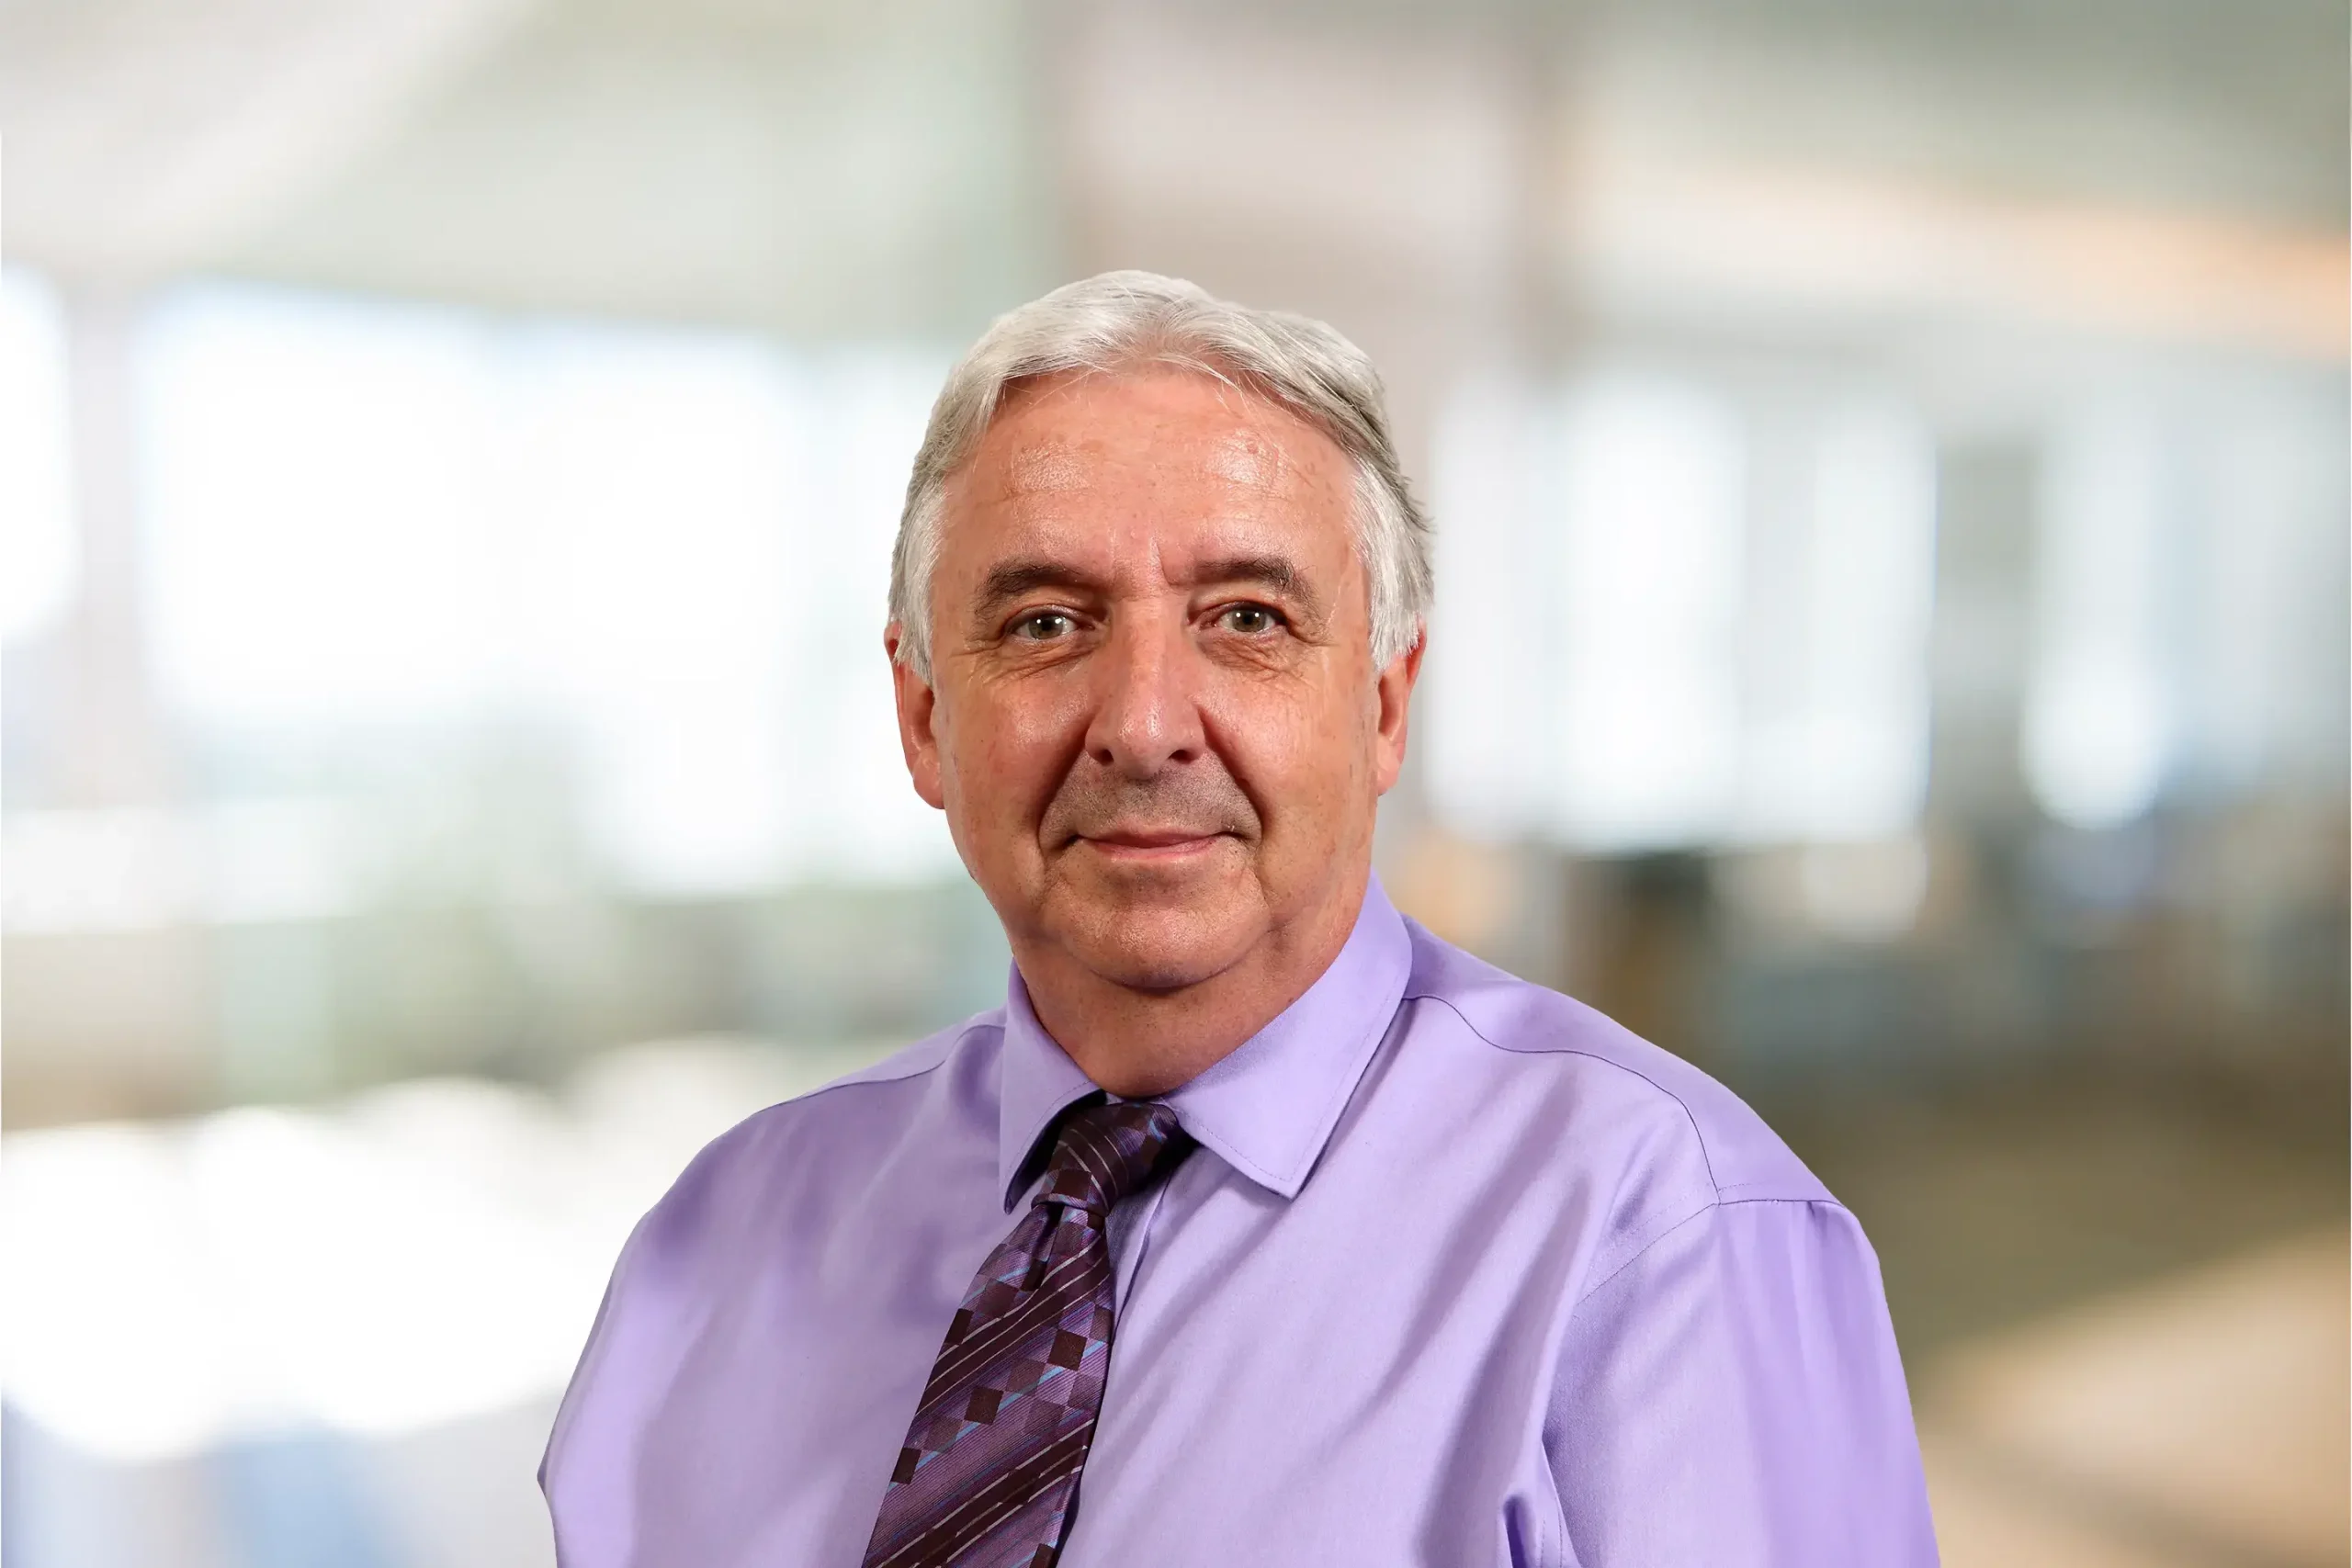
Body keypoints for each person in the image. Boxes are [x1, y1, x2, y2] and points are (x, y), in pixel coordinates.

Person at [539, 271, 1939, 1567]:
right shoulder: (714, 1244)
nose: (1145, 727)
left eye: (1250, 618)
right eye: (1043, 623)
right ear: (922, 719)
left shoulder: (1662, 1232)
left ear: (1384, 705)